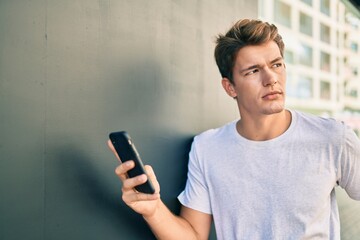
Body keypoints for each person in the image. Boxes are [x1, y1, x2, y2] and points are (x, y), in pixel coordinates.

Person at [108, 19, 360, 239]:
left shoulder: (332, 137)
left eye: (277, 65)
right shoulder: (207, 148)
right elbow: (193, 236)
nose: (271, 78)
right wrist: (153, 210)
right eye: (253, 70)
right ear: (230, 87)